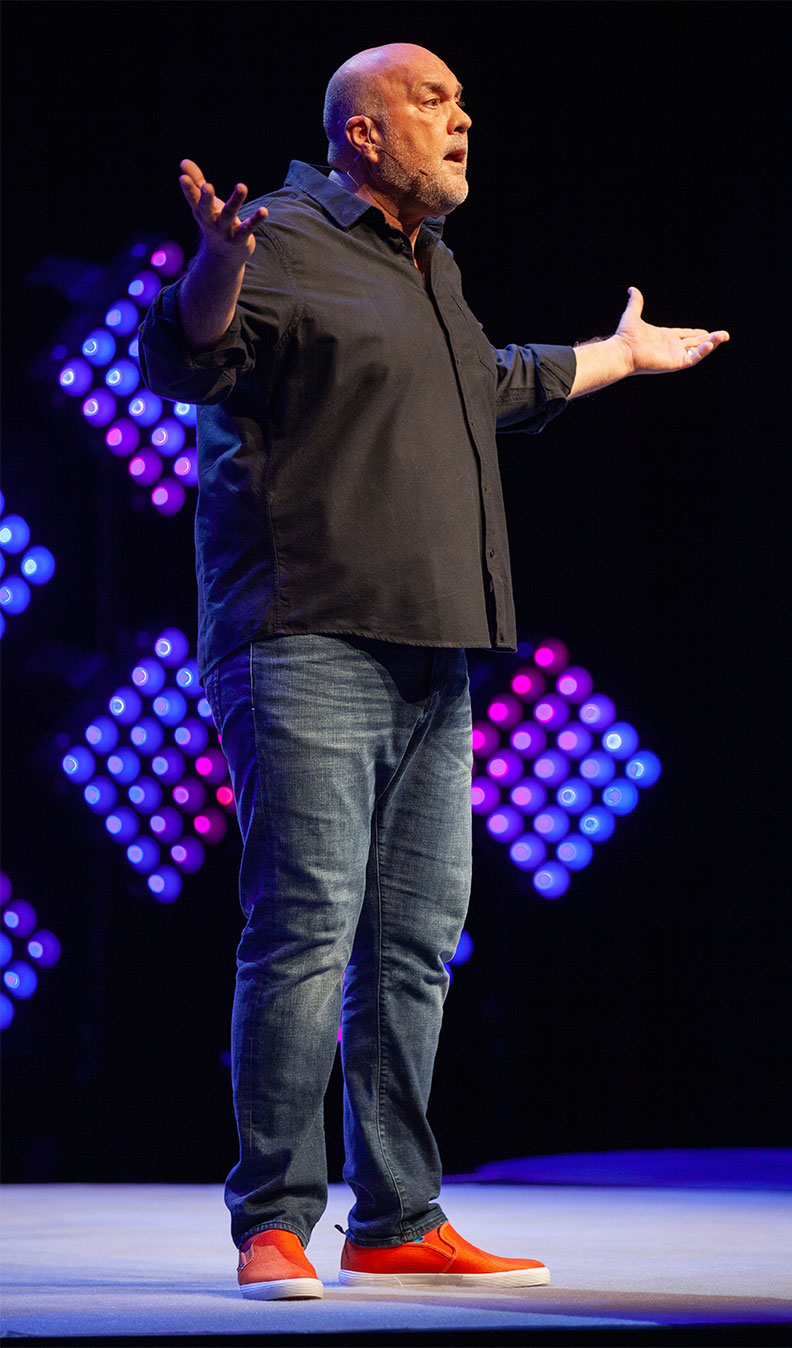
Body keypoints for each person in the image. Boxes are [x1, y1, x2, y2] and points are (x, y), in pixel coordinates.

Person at [139, 42, 728, 1300]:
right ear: (360, 133)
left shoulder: (427, 263)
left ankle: (398, 1216)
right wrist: (216, 263)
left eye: (460, 101)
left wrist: (617, 356)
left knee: (411, 944)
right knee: (305, 932)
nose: (461, 117)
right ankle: (273, 1218)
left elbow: (485, 387)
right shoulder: (283, 235)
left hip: (433, 647)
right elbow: (187, 356)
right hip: (305, 636)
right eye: (432, 99)